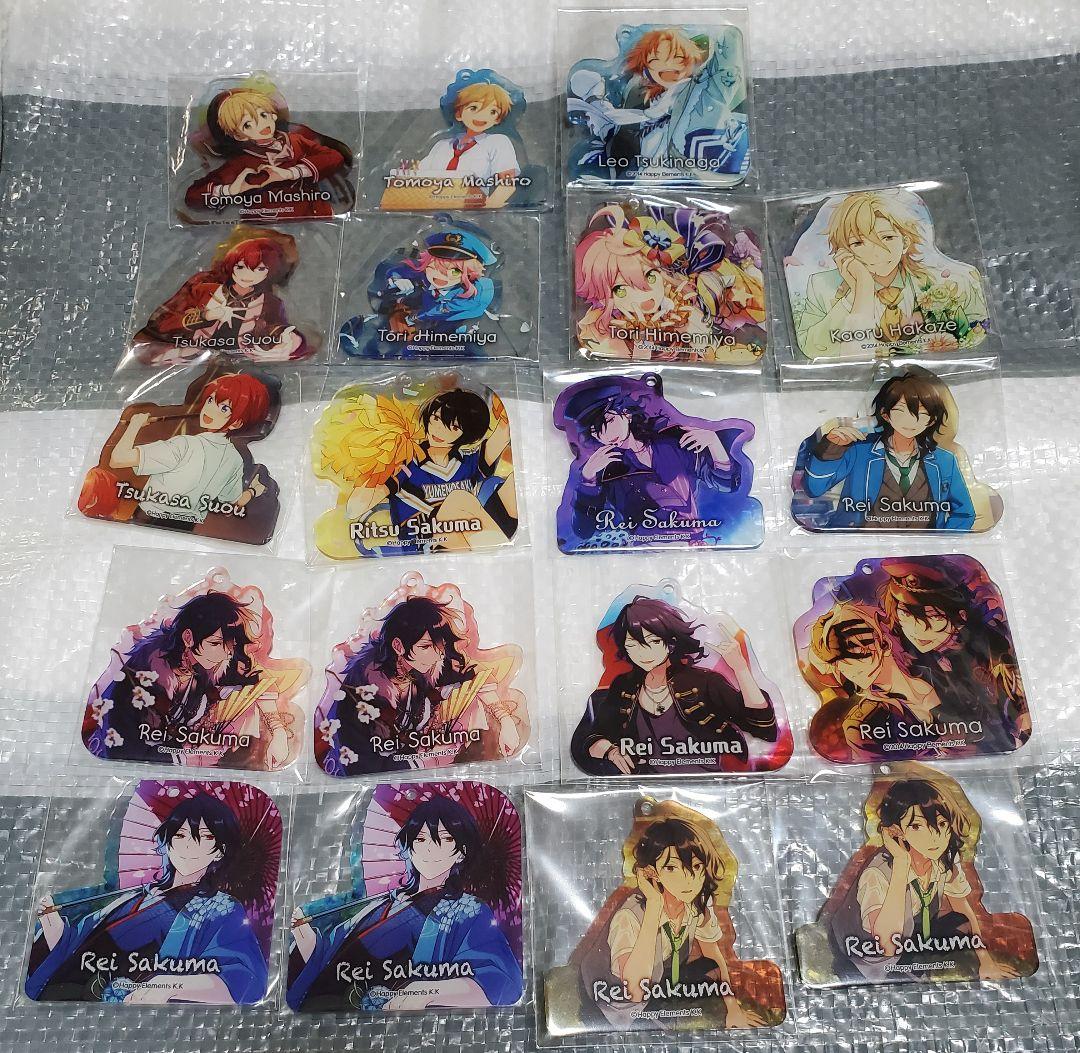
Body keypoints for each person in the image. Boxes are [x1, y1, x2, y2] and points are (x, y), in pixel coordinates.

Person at [287, 797, 522, 1011]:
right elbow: (328, 961)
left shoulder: (469, 911)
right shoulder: (380, 903)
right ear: (408, 846)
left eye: (445, 839)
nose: (430, 848)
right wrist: (302, 931)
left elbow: (500, 982)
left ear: (461, 852)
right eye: (420, 838)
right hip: (336, 1010)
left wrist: (428, 991)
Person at [26, 795, 267, 1004]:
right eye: (180, 835)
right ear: (168, 841)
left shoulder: (222, 908)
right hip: (74, 993)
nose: (188, 846)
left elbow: (244, 980)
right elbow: (77, 946)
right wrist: (52, 923)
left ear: (220, 851)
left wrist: (171, 985)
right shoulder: (134, 896)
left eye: (204, 837)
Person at [824, 778, 1019, 982]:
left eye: (941, 823)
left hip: (910, 936)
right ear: (896, 831)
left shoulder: (943, 859)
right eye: (917, 826)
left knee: (960, 923)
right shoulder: (878, 872)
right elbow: (887, 944)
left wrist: (986, 962)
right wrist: (901, 864)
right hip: (866, 955)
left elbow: (963, 909)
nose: (934, 836)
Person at [577, 816, 759, 1029]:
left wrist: (733, 1009)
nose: (688, 879)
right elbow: (635, 991)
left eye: (696, 866)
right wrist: (654, 906)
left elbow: (713, 955)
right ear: (652, 872)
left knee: (710, 969)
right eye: (671, 868)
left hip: (658, 982)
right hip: (614, 999)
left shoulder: (696, 902)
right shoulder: (630, 915)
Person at [84, 592, 293, 770]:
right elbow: (122, 750)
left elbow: (256, 680)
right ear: (188, 638)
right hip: (133, 767)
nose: (225, 653)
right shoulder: (139, 679)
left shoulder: (207, 662)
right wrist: (185, 758)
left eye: (229, 645)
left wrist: (278, 732)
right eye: (215, 643)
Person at [571, 596, 776, 775]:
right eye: (632, 645)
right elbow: (590, 739)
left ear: (671, 642)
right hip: (641, 786)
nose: (642, 653)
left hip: (709, 783)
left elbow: (764, 728)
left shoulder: (703, 682)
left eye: (652, 642)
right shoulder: (624, 686)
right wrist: (610, 750)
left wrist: (740, 668)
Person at [322, 595, 525, 774]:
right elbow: (362, 767)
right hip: (377, 782)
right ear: (398, 646)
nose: (437, 655)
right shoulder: (358, 696)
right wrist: (429, 759)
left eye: (439, 645)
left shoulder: (426, 665)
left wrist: (504, 719)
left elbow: (474, 675)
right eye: (425, 646)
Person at [794, 190, 988, 359]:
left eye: (887, 238)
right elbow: (813, 349)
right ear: (843, 250)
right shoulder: (821, 286)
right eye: (858, 243)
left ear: (905, 242)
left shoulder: (949, 283)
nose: (876, 252)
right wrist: (860, 290)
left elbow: (976, 332)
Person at [557, 375, 743, 547]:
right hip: (645, 554)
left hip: (694, 547)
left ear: (626, 413)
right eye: (596, 431)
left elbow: (727, 486)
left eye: (610, 421)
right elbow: (584, 530)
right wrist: (588, 479)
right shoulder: (605, 470)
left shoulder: (673, 444)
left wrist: (715, 444)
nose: (606, 435)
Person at [878, 561, 1030, 753]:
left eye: (931, 617)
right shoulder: (917, 663)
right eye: (905, 616)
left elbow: (1019, 714)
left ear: (961, 616)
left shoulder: (992, 650)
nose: (916, 630)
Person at [797, 369, 976, 530]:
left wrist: (941, 543)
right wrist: (830, 449)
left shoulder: (944, 460)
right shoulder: (859, 451)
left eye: (922, 414)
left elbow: (964, 512)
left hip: (922, 550)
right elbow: (814, 488)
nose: (911, 421)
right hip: (859, 545)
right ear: (885, 414)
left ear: (931, 420)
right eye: (901, 411)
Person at [344, 388, 516, 552]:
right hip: (427, 542)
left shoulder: (467, 461)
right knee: (458, 499)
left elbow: (503, 431)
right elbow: (353, 510)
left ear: (466, 434)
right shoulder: (406, 464)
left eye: (454, 427)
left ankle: (495, 551)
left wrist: (503, 408)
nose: (439, 429)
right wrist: (381, 468)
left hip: (472, 531)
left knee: (514, 485)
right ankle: (496, 556)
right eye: (436, 418)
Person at [107, 373, 270, 527]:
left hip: (148, 519)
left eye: (224, 409)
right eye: (211, 400)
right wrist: (253, 491)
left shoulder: (185, 445)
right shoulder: (235, 460)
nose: (210, 410)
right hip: (187, 527)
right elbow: (233, 503)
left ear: (237, 423)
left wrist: (135, 424)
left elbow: (118, 459)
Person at [133, 236, 306, 364]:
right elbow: (160, 324)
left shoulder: (270, 303)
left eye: (260, 269)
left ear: (270, 272)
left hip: (244, 364)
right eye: (241, 267)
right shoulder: (203, 289)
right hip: (186, 359)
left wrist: (293, 341)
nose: (248, 275)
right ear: (231, 265)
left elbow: (277, 330)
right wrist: (205, 316)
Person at [804, 604, 944, 762]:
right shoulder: (861, 725)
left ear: (885, 644)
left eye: (855, 649)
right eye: (838, 661)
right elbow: (903, 770)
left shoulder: (941, 676)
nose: (846, 667)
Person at [185, 87, 348, 218]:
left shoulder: (295, 140)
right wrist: (229, 190)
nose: (261, 125)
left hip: (315, 212)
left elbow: (334, 157)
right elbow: (193, 197)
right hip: (265, 221)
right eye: (247, 125)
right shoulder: (241, 163)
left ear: (273, 115)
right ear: (238, 135)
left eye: (263, 115)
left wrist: (290, 173)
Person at [413, 77, 521, 208]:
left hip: (473, 207)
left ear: (497, 118)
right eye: (473, 108)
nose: (482, 116)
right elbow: (418, 177)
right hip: (433, 204)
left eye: (492, 111)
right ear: (459, 114)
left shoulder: (497, 142)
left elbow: (507, 185)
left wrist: (489, 207)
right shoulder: (442, 145)